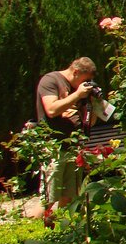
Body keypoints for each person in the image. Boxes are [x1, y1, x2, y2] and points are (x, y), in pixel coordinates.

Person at [35, 57, 97, 209]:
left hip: (72, 147)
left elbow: (90, 122)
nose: (86, 84)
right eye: (86, 79)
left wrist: (94, 103)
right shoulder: (51, 80)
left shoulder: (79, 90)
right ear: (76, 72)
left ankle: (65, 230)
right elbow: (51, 110)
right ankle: (35, 228)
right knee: (49, 197)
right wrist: (77, 95)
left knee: (69, 196)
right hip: (53, 146)